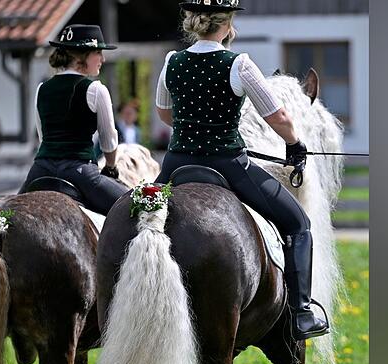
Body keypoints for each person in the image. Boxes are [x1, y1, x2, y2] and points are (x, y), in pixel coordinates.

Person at [154, 0, 328, 340]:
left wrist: (191, 129)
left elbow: (164, 113)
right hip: (227, 164)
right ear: (227, 24)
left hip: (177, 163)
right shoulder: (239, 64)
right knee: (298, 224)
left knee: (138, 219)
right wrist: (295, 144)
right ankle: (301, 313)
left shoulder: (172, 61)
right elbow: (277, 116)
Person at [20, 24, 128, 215]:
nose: (103, 59)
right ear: (81, 56)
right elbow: (109, 140)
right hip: (80, 172)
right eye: (98, 52)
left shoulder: (42, 89)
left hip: (40, 170)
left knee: (5, 217)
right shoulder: (96, 89)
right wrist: (110, 167)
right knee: (139, 206)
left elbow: (43, 137)